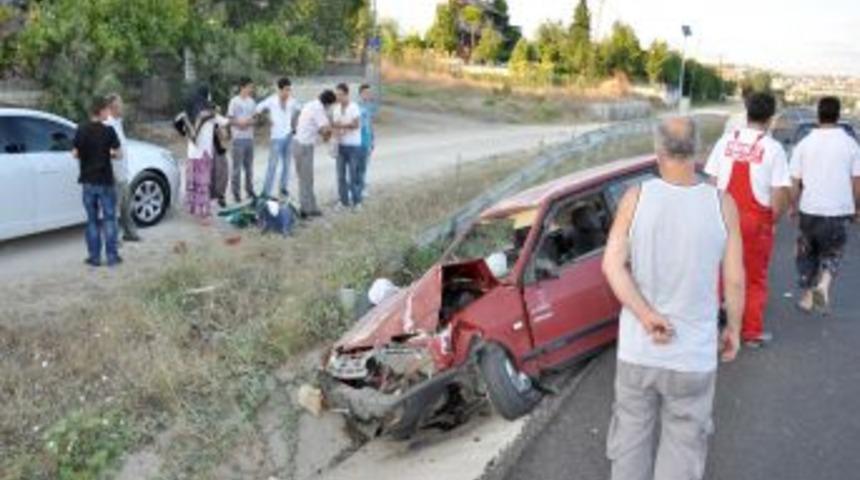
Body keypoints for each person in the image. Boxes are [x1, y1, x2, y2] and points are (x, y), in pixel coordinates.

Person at [602, 116, 745, 480]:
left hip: (639, 351)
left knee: (630, 443)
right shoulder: (722, 203)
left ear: (658, 150)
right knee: (684, 450)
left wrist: (646, 315)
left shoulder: (635, 199)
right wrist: (734, 329)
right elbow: (734, 280)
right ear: (699, 151)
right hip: (693, 355)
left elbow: (612, 267)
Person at [705, 92, 791, 347]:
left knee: (720, 274)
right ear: (771, 118)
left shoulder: (725, 141)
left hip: (723, 217)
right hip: (755, 222)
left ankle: (711, 328)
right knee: (754, 279)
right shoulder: (773, 149)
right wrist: (772, 221)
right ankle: (750, 333)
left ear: (747, 112)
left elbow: (711, 182)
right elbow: (779, 194)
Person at [790, 97, 860, 313]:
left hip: (810, 208)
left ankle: (808, 298)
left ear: (817, 115)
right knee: (833, 252)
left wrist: (793, 205)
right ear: (838, 116)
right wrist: (857, 207)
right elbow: (857, 181)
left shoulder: (804, 144)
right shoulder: (851, 145)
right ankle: (824, 284)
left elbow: (795, 181)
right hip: (839, 210)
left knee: (807, 252)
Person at [73, 96, 122, 267]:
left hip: (88, 182)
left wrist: (87, 154)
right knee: (109, 219)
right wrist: (109, 154)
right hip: (105, 181)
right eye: (107, 110)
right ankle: (112, 258)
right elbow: (118, 153)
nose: (108, 112)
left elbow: (75, 153)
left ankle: (94, 258)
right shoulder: (109, 131)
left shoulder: (81, 129)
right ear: (100, 111)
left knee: (92, 220)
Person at [175, 85, 229, 220]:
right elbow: (226, 125)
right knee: (204, 183)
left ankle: (193, 208)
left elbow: (180, 128)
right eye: (209, 95)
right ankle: (204, 211)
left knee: (194, 182)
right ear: (206, 96)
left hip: (192, 154)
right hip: (204, 153)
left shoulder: (188, 114)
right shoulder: (209, 114)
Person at [292, 89, 336, 218]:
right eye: (330, 106)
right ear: (328, 104)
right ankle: (306, 210)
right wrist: (330, 131)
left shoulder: (310, 104)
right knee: (306, 179)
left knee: (305, 179)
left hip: (298, 144)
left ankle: (309, 207)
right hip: (304, 146)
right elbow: (324, 131)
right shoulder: (319, 110)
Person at [104, 93, 140, 242]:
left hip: (123, 172)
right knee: (113, 209)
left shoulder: (118, 122)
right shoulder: (107, 124)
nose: (123, 106)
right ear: (113, 106)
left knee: (126, 206)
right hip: (114, 174)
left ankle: (130, 233)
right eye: (120, 104)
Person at [256, 77, 300, 199]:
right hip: (276, 137)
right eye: (286, 90)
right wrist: (267, 119)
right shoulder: (271, 100)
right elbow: (258, 109)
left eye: (289, 90)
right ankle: (266, 192)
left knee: (287, 165)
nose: (288, 92)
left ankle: (283, 189)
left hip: (289, 136)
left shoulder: (292, 101)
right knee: (272, 165)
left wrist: (294, 124)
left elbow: (299, 110)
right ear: (280, 89)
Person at [332, 83, 363, 208]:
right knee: (340, 176)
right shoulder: (336, 109)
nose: (338, 97)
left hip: (353, 146)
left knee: (353, 175)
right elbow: (335, 125)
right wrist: (337, 131)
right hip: (340, 145)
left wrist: (341, 126)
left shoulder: (354, 107)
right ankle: (343, 201)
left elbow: (356, 125)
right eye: (337, 95)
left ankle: (357, 202)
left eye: (340, 95)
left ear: (346, 95)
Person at [228, 77, 257, 204]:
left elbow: (256, 118)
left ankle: (250, 190)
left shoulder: (252, 102)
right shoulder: (234, 101)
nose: (251, 89)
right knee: (236, 169)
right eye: (249, 87)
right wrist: (239, 123)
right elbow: (229, 119)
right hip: (238, 139)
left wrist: (250, 121)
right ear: (242, 87)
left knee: (249, 168)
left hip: (249, 138)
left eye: (252, 87)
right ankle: (236, 193)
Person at [358, 83, 377, 198]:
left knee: (365, 164)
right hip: (358, 140)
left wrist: (373, 139)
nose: (368, 95)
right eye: (366, 93)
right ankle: (358, 187)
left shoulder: (369, 107)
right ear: (360, 94)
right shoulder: (356, 107)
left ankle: (362, 185)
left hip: (368, 139)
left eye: (369, 93)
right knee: (358, 165)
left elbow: (370, 124)